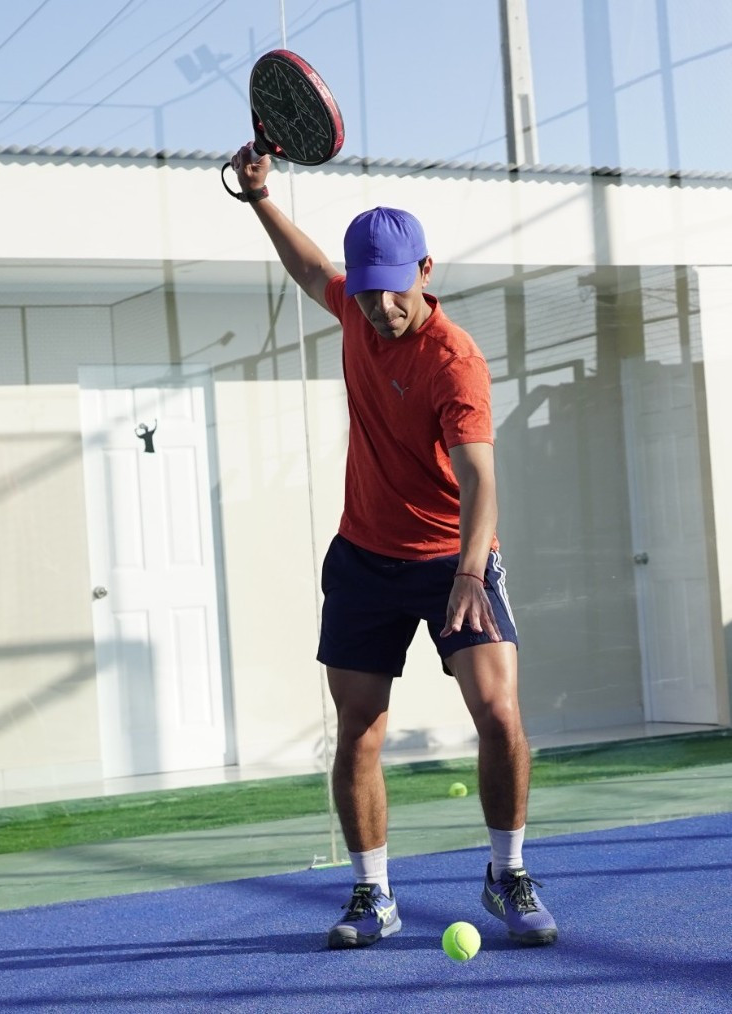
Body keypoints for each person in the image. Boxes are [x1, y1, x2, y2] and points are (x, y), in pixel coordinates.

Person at [229, 144, 558, 951]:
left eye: (394, 290)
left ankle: (508, 872)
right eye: (368, 291)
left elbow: (479, 477)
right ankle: (372, 894)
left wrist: (471, 571)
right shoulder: (355, 310)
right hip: (365, 558)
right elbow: (311, 269)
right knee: (360, 729)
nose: (380, 307)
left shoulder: (455, 362)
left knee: (500, 714)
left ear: (425, 272)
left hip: (453, 558)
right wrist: (260, 197)